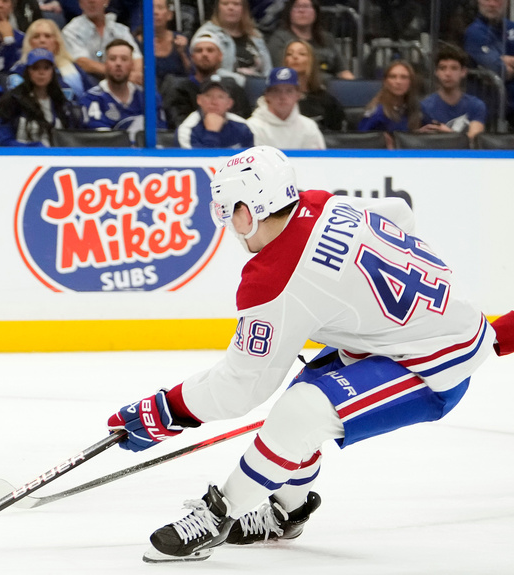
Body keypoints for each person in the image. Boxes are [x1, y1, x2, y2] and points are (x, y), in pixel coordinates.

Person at [106, 144, 509, 562]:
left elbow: (242, 387)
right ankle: (289, 513)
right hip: (418, 332)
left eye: (228, 213)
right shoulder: (318, 202)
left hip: (435, 364)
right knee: (300, 409)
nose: (229, 225)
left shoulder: (274, 279)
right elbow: (399, 215)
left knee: (300, 412)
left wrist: (168, 409)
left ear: (246, 213)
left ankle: (218, 517)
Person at [80, 38, 165, 143]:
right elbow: (101, 140)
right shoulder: (92, 98)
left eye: (124, 59)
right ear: (105, 63)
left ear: (132, 65)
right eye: (112, 59)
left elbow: (161, 136)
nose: (118, 64)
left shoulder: (149, 97)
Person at [161, 32, 251, 128]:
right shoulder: (180, 90)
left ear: (220, 56)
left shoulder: (233, 88)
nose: (204, 54)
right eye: (199, 50)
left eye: (210, 50)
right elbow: (180, 125)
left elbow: (243, 122)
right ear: (192, 58)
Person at [0, 47, 79, 145]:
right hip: (22, 157)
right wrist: (33, 149)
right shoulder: (12, 101)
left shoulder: (61, 103)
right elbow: (5, 141)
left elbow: (73, 139)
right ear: (28, 71)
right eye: (35, 68)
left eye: (46, 68)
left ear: (53, 71)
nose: (41, 73)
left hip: (58, 157)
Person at [7, 18, 94, 102]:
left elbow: (90, 96)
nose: (42, 40)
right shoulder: (19, 70)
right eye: (36, 36)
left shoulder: (73, 68)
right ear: (29, 42)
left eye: (47, 36)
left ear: (56, 42)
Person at [266, 0, 354, 79]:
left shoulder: (327, 38)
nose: (301, 11)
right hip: (297, 85)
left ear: (315, 12)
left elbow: (343, 71)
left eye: (306, 6)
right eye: (296, 7)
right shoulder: (279, 39)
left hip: (331, 86)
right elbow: (281, 73)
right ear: (289, 12)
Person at [61, 0, 142, 84]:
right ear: (80, 3)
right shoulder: (71, 31)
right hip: (89, 84)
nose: (91, 1)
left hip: (124, 82)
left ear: (107, 1)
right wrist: (120, 74)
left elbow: (136, 57)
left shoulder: (120, 30)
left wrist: (136, 74)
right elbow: (82, 62)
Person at [420, 44, 487, 141]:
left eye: (454, 68)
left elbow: (474, 142)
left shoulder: (476, 106)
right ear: (436, 72)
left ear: (463, 72)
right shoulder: (424, 107)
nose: (448, 74)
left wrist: (448, 134)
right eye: (442, 68)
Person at [246, 66, 324, 148]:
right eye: (276, 91)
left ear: (298, 95)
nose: (283, 96)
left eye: (289, 91)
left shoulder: (309, 127)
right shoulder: (251, 127)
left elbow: (317, 159)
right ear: (267, 95)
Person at [193, 0, 272, 79]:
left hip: (258, 86)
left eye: (236, 4)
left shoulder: (255, 35)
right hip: (224, 86)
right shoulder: (206, 34)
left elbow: (267, 70)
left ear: (244, 9)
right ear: (217, 9)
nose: (231, 8)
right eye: (225, 4)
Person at [464, 0, 513, 126]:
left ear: (506, 3)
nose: (492, 4)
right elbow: (498, 70)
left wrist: (503, 59)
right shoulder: (475, 32)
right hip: (489, 107)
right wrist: (503, 64)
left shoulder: (511, 28)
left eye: (497, 0)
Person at [282, 39, 343, 131]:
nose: (294, 57)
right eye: (289, 54)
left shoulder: (326, 101)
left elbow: (337, 137)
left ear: (312, 61)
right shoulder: (275, 97)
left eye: (302, 54)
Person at [175, 75, 253, 148]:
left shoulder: (243, 126)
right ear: (199, 100)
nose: (214, 102)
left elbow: (252, 158)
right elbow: (197, 161)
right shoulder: (187, 130)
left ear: (229, 103)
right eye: (208, 96)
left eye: (220, 97)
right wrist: (212, 133)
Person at [358, 59, 421, 138]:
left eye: (404, 77)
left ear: (411, 82)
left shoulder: (415, 108)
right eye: (393, 77)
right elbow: (361, 141)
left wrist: (420, 135)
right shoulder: (377, 113)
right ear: (385, 81)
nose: (398, 82)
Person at [137, 0, 189, 87]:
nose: (155, 12)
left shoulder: (179, 40)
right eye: (151, 8)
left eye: (160, 8)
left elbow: (191, 72)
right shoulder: (135, 42)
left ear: (170, 14)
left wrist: (182, 53)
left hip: (177, 94)